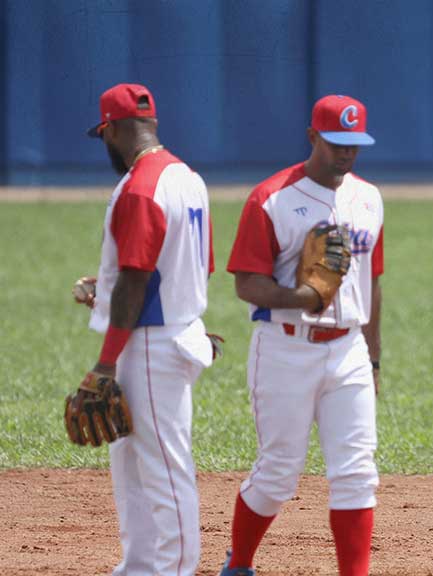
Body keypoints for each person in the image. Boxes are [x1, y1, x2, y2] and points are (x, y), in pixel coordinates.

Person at [219, 94, 384, 576]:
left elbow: (371, 283)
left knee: (357, 472)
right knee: (277, 474)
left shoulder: (369, 198)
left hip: (349, 348)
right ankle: (240, 564)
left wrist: (372, 360)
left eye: (355, 144)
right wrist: (304, 296)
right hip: (284, 348)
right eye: (337, 143)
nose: (347, 153)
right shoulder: (271, 198)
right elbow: (245, 283)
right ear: (313, 137)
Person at [74, 82, 215, 575]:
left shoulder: (139, 187)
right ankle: (138, 568)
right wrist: (105, 288)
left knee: (163, 470)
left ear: (111, 129)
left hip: (150, 344)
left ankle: (174, 570)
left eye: (104, 136)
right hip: (170, 331)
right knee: (131, 466)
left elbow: (137, 280)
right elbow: (191, 265)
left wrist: (105, 363)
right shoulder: (187, 178)